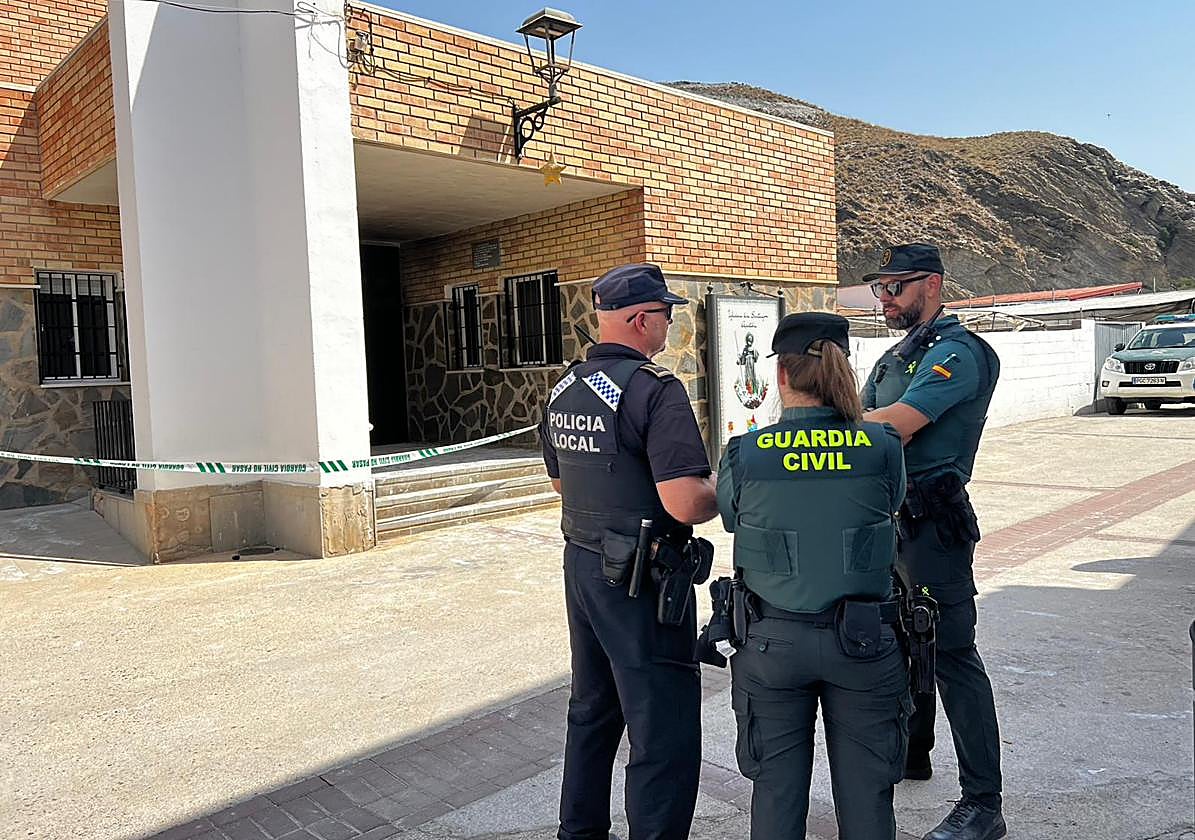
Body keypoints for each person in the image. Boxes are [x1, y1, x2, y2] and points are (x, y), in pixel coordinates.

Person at [540, 262, 719, 840]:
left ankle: (580, 831)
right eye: (666, 314)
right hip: (644, 577)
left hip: (584, 564)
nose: (669, 325)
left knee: (592, 709)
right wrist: (730, 488)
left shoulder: (565, 388)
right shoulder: (654, 389)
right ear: (643, 319)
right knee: (661, 723)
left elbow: (562, 483)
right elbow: (685, 502)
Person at [716, 312, 910, 840]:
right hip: (865, 642)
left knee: (776, 793)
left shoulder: (746, 453)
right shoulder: (883, 445)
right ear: (843, 370)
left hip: (772, 644)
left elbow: (731, 516)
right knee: (868, 797)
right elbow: (892, 502)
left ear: (781, 375)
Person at [861, 243, 1006, 840]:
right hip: (891, 521)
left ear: (933, 285)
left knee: (950, 654)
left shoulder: (957, 353)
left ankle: (983, 804)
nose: (886, 298)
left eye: (897, 286)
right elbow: (865, 419)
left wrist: (823, 421)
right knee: (901, 641)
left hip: (934, 525)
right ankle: (912, 753)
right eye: (881, 288)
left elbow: (894, 425)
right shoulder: (896, 356)